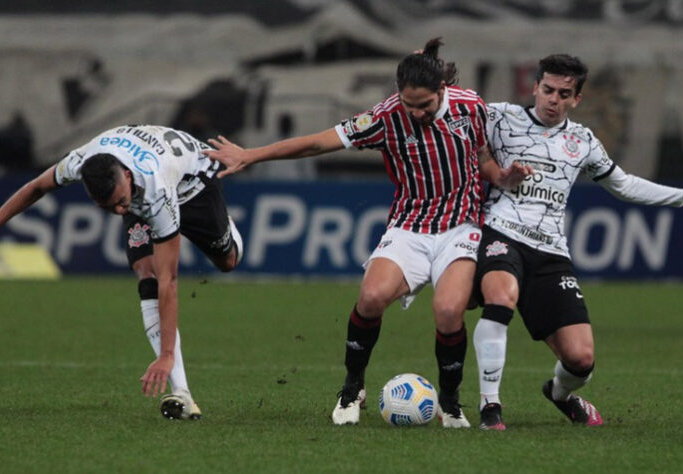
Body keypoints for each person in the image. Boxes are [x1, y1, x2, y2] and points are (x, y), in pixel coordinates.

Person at [206, 38, 532, 427]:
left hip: (461, 225)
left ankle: (449, 400)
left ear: (442, 90)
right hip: (409, 225)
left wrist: (503, 176)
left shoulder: (471, 106)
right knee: (372, 296)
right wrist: (250, 154)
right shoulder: (385, 117)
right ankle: (352, 386)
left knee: (448, 311)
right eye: (408, 104)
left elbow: (482, 157)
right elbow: (316, 143)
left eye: (424, 105)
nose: (415, 113)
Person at [471, 54, 683, 430]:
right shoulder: (498, 117)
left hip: (550, 252)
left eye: (564, 93)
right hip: (500, 232)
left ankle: (560, 394)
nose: (553, 99)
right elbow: (449, 113)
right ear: (534, 87)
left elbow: (624, 186)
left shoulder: (583, 141)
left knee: (581, 359)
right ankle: (490, 407)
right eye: (547, 90)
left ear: (577, 99)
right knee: (500, 295)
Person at [0, 125, 244, 421]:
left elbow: (171, 281)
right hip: (146, 186)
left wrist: (166, 355)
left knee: (226, 261)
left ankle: (225, 228)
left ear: (126, 176)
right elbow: (36, 187)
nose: (117, 212)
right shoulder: (81, 162)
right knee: (146, 272)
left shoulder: (155, 192)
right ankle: (183, 394)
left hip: (193, 182)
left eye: (120, 203)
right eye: (109, 207)